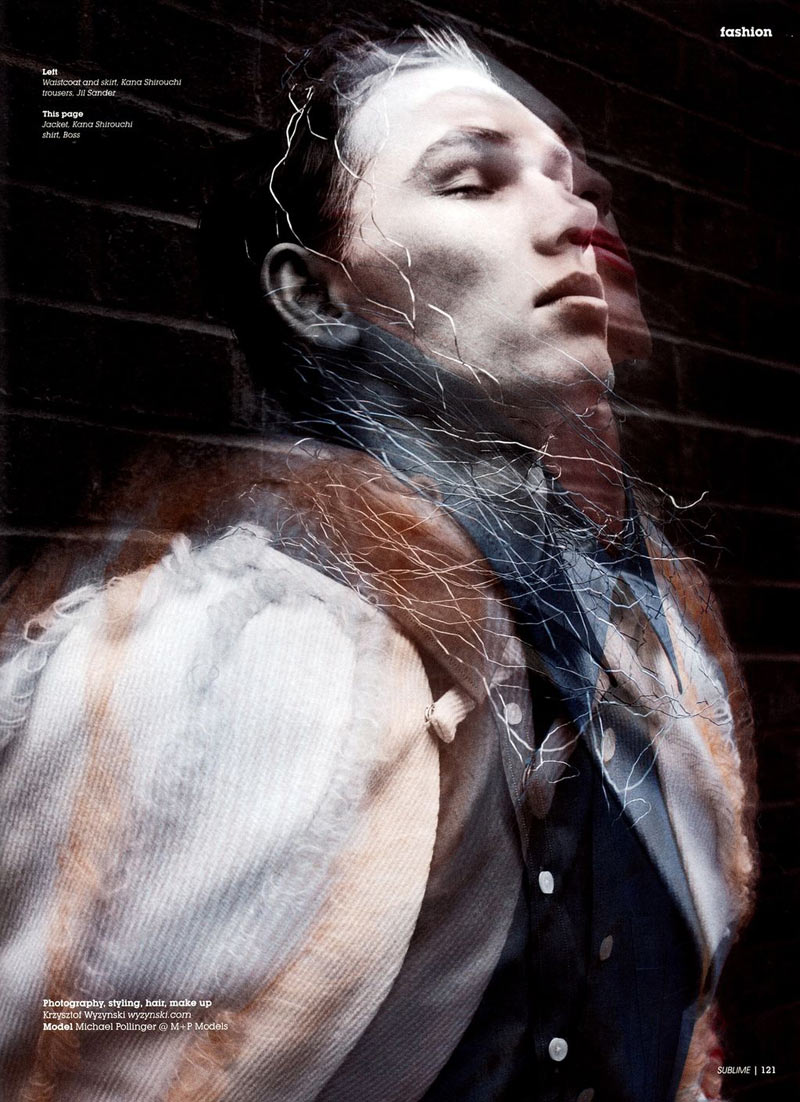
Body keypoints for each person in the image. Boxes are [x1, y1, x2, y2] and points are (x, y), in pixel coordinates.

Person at [0, 25, 755, 1102]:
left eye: (568, 181)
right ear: (313, 296)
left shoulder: (627, 630)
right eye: (470, 182)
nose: (574, 220)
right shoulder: (257, 651)